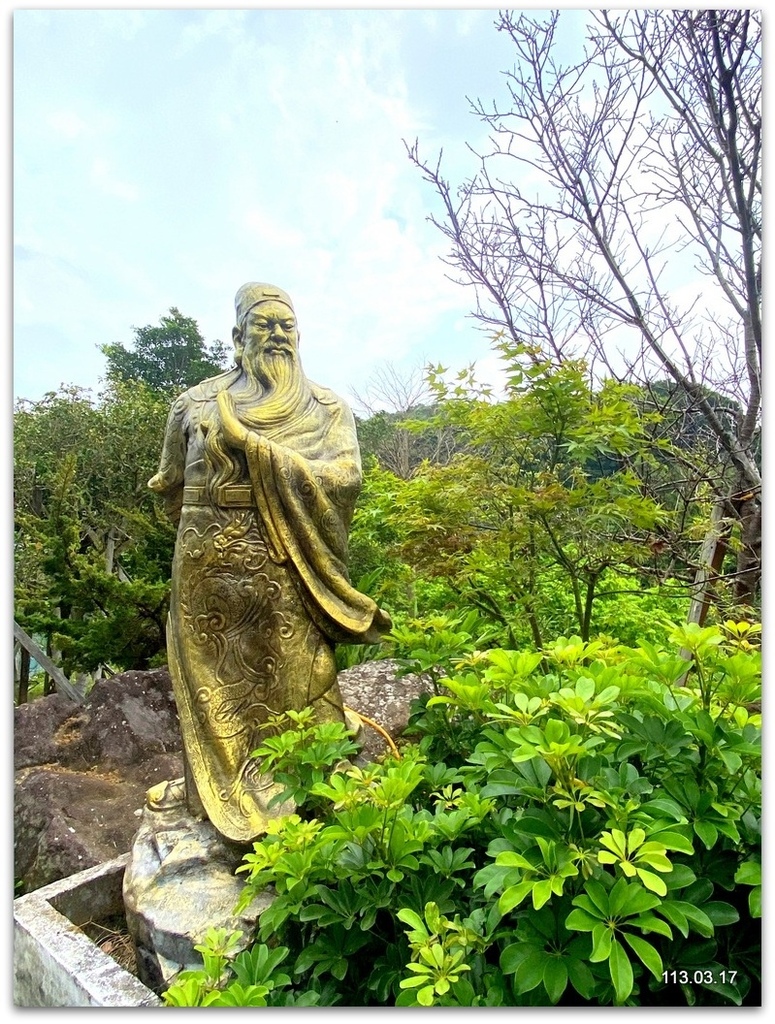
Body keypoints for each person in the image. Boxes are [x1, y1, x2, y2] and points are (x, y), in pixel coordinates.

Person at [146, 283, 391, 843]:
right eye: (265, 324)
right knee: (208, 680)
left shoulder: (326, 408)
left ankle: (319, 778)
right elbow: (170, 486)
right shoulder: (194, 403)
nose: (278, 334)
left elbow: (345, 479)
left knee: (298, 672)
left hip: (285, 562)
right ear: (238, 336)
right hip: (205, 568)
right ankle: (205, 791)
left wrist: (251, 447)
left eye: (288, 325)